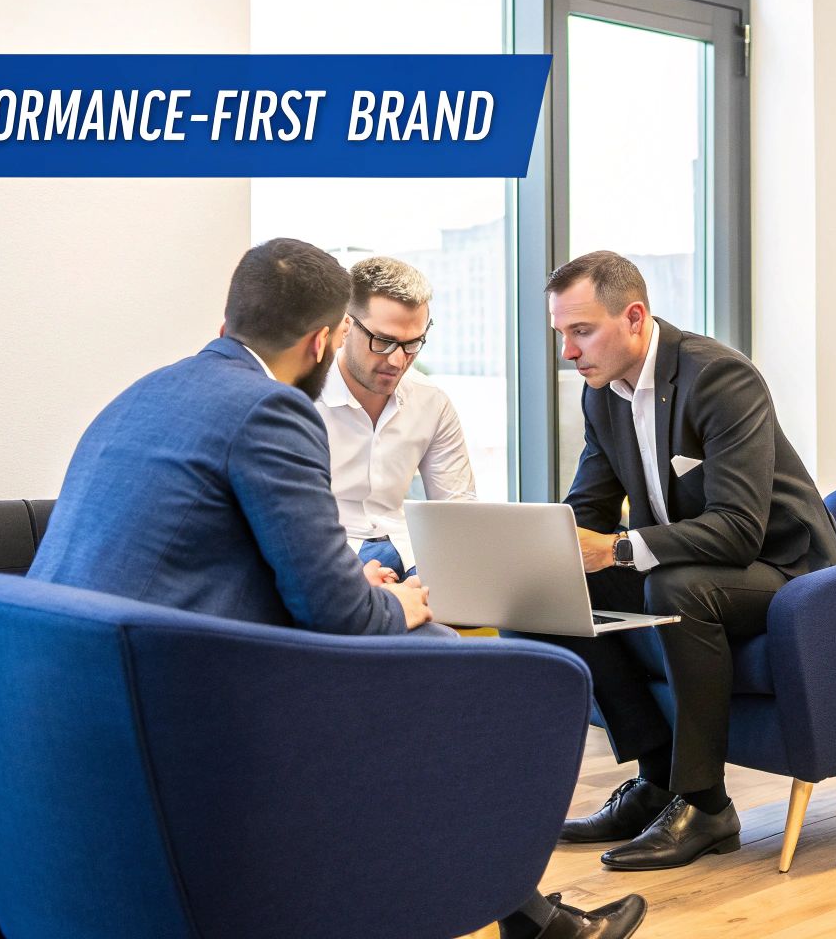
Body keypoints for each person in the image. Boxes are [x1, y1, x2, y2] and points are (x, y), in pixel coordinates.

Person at [32, 238, 644, 939]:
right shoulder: (270, 409)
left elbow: (205, 550)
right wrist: (397, 602)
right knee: (456, 669)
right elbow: (337, 614)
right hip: (173, 699)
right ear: (327, 339)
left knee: (426, 668)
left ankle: (525, 915)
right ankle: (520, 916)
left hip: (84, 675)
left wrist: (350, 579)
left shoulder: (144, 393)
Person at [540, 251, 836, 871]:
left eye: (580, 331)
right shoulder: (602, 396)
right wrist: (541, 550)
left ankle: (706, 806)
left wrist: (620, 548)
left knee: (677, 589)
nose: (568, 352)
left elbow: (736, 530)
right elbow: (589, 509)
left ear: (633, 317)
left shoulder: (719, 378)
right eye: (560, 334)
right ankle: (656, 780)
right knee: (558, 594)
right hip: (697, 563)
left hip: (784, 568)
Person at [318, 256, 475, 579]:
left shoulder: (431, 401)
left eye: (412, 343)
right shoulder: (303, 397)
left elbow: (457, 512)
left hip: (407, 551)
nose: (397, 359)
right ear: (345, 325)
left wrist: (449, 578)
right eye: (384, 341)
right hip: (328, 554)